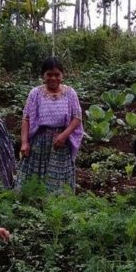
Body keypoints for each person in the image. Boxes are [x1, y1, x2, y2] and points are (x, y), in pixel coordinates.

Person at [16, 57, 84, 193]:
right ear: (43, 75)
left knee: (59, 176)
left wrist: (64, 136)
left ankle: (57, 205)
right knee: (34, 176)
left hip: (61, 141)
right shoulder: (35, 93)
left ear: (62, 75)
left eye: (57, 74)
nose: (53, 78)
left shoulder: (70, 93)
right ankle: (31, 201)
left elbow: (77, 117)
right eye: (49, 74)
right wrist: (24, 143)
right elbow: (26, 118)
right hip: (39, 140)